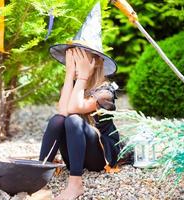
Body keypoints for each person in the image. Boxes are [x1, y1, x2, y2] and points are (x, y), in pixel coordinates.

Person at [39, 2, 120, 199]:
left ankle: (76, 184)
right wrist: (70, 74)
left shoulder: (106, 92)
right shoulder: (77, 85)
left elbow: (75, 109)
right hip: (76, 154)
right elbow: (62, 112)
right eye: (72, 60)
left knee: (74, 119)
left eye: (79, 59)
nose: (75, 64)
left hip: (99, 157)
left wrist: (82, 76)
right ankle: (38, 179)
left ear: (95, 62)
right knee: (58, 120)